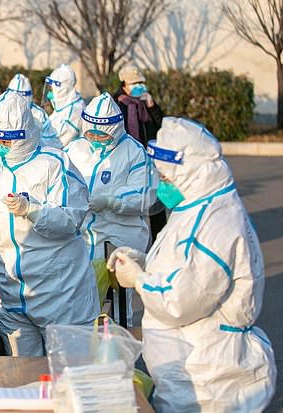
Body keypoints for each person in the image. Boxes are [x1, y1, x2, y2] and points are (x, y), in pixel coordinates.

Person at [107, 117, 276, 412]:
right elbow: (185, 269)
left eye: (168, 179)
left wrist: (138, 279)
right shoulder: (197, 205)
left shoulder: (217, 223)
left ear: (191, 173)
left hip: (210, 379)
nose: (163, 185)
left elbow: (181, 300)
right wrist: (143, 262)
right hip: (191, 371)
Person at [0, 92, 99, 357]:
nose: (2, 144)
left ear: (24, 134)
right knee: (21, 378)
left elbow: (71, 219)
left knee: (68, 378)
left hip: (59, 291)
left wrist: (33, 211)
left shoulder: (54, 164)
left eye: (8, 139)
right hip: (11, 292)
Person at [65, 93, 156, 325]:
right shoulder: (74, 150)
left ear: (114, 129)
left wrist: (110, 200)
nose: (95, 138)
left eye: (101, 134)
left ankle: (120, 342)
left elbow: (144, 194)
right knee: (82, 300)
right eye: (91, 132)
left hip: (120, 238)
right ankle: (87, 345)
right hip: (83, 237)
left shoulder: (133, 152)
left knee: (119, 301)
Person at [113, 64, 167, 242]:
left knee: (156, 205)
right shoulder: (116, 104)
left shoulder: (146, 102)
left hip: (150, 159)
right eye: (134, 83)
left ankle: (161, 243)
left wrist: (151, 106)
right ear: (124, 84)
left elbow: (162, 126)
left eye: (141, 82)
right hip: (128, 161)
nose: (139, 86)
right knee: (134, 204)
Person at [0, 73, 60, 148]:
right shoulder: (2, 110)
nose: (16, 103)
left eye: (19, 98)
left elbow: (47, 139)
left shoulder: (39, 114)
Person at [42, 64, 85, 147]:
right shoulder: (63, 107)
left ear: (62, 90)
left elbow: (54, 142)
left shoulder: (75, 112)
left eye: (51, 89)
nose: (49, 94)